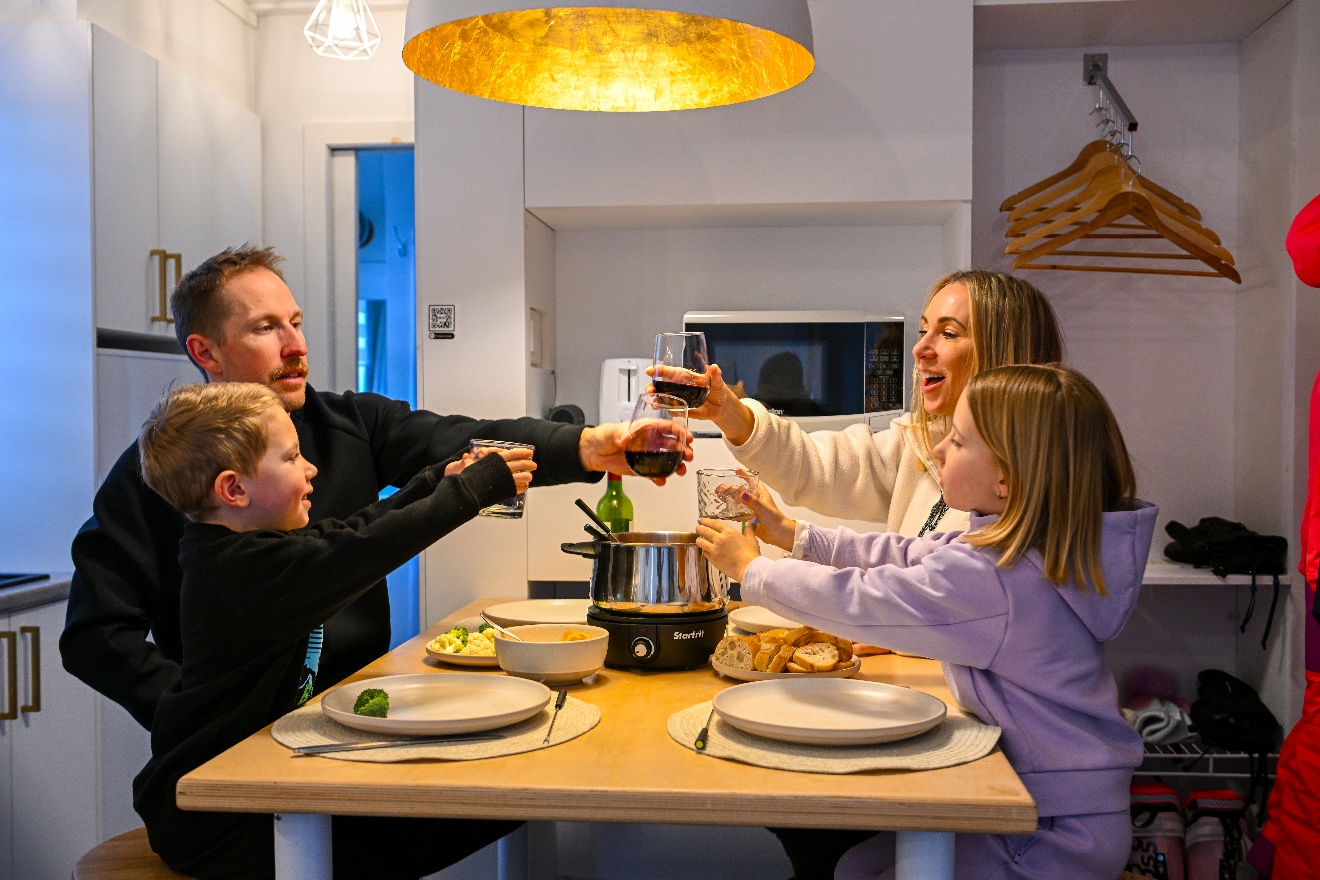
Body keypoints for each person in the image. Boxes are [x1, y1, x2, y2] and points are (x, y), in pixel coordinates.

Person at [62, 245, 687, 731]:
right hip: (240, 742)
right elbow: (95, 635)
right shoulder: (157, 477)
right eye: (265, 328)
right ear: (206, 351)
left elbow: (460, 440)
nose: (296, 345)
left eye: (296, 322)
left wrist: (586, 446)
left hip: (360, 709)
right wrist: (190, 712)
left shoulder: (350, 424)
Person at [697, 364, 1156, 880]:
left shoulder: (999, 576)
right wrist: (796, 535)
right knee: (854, 867)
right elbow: (904, 554)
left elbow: (868, 601)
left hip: (1049, 828)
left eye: (957, 442)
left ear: (1005, 479)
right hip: (1062, 801)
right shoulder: (1028, 546)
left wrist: (753, 571)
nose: (937, 451)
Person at [133, 382, 529, 878]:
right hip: (216, 818)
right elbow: (362, 550)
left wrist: (434, 481)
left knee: (489, 805)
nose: (311, 468)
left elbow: (351, 531)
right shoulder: (242, 570)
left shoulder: (250, 548)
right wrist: (468, 492)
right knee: (486, 807)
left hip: (251, 787)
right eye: (292, 457)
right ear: (234, 490)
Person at [662, 270, 1063, 537]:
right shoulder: (920, 442)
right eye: (923, 331)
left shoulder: (1026, 487)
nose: (919, 349)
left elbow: (926, 597)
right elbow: (815, 467)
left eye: (948, 334)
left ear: (1003, 352)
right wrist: (730, 411)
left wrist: (763, 568)